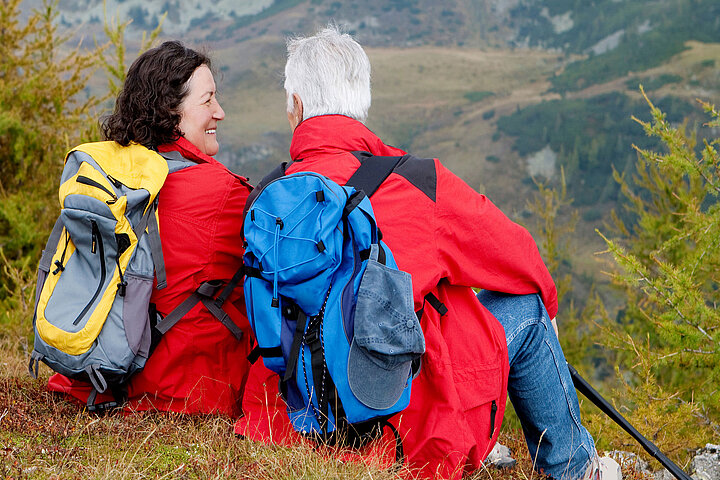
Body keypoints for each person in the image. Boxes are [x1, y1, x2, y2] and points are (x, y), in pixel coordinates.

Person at [235, 26, 622, 480]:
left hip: (286, 428)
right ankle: (576, 469)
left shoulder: (264, 201)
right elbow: (517, 257)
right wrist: (548, 309)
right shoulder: (418, 182)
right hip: (403, 435)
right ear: (362, 104)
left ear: (294, 108)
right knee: (527, 306)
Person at [47, 41, 253, 416]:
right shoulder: (226, 194)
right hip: (180, 395)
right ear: (171, 112)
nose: (220, 112)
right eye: (208, 101)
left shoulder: (104, 176)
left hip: (90, 380)